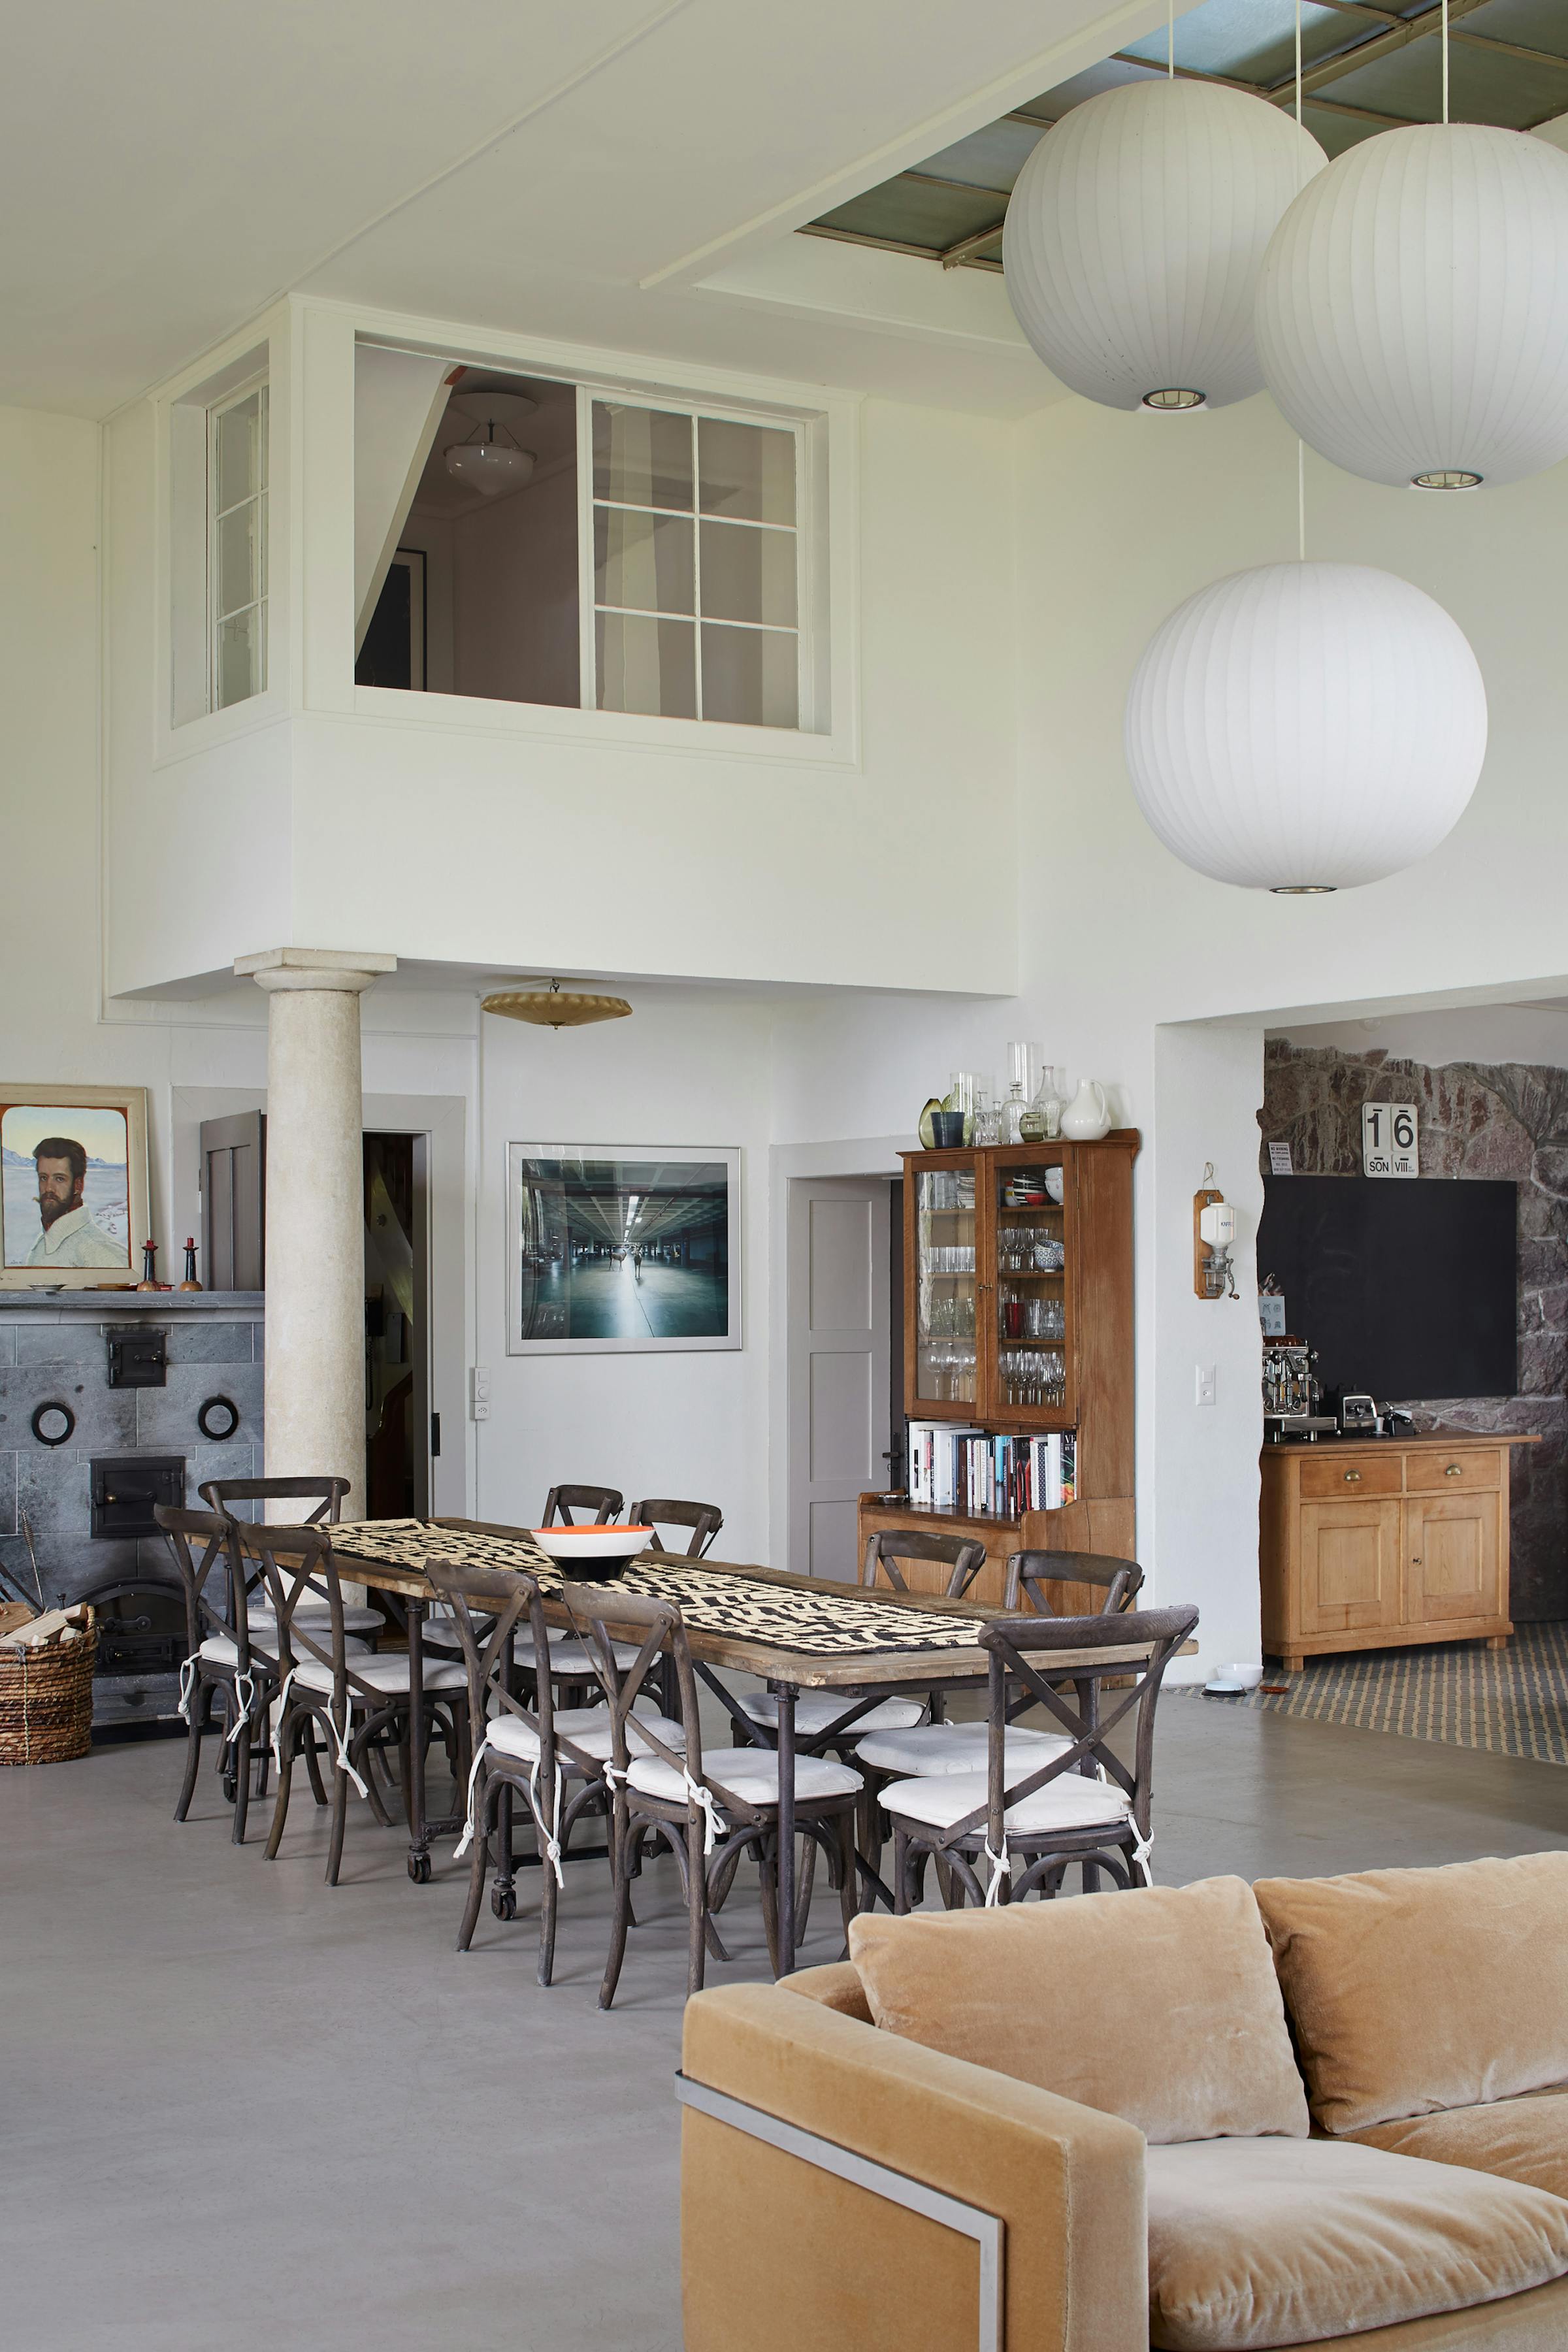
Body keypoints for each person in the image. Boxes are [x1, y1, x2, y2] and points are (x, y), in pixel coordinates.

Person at [25, 1137, 124, 1269]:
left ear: (78, 1185)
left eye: (59, 1179)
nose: (48, 1188)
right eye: (43, 1178)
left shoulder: (102, 1252)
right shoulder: (42, 1244)